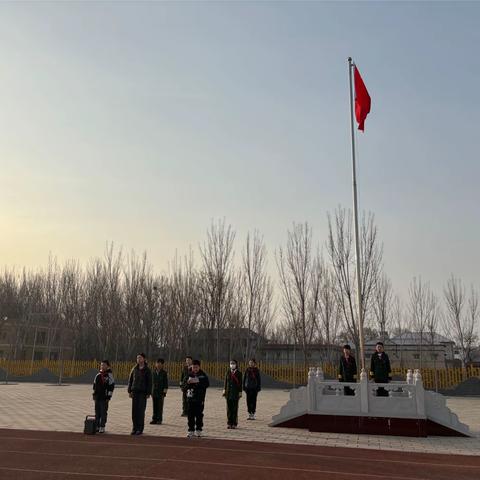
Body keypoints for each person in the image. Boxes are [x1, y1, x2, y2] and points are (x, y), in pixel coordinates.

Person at [181, 359, 209, 438]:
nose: (195, 369)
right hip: (190, 399)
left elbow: (207, 384)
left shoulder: (203, 375)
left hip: (199, 399)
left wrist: (198, 382)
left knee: (199, 415)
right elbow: (183, 387)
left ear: (199, 367)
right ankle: (191, 430)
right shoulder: (188, 375)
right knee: (190, 415)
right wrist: (188, 383)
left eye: (196, 367)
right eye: (193, 367)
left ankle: (199, 430)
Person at [127, 353, 152, 435]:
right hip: (135, 392)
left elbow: (150, 382)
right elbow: (130, 380)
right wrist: (129, 390)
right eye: (137, 358)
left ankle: (140, 429)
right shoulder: (134, 369)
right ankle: (134, 428)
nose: (138, 359)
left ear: (144, 359)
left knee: (141, 411)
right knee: (134, 411)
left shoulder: (147, 370)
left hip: (143, 392)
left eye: (140, 358)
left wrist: (148, 392)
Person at [92, 360, 115, 433]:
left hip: (104, 398)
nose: (102, 366)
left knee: (103, 412)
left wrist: (109, 397)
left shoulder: (109, 375)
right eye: (101, 365)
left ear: (108, 366)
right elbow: (94, 386)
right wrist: (94, 396)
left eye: (104, 365)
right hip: (97, 397)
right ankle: (97, 426)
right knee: (97, 412)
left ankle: (102, 426)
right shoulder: (98, 375)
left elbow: (111, 387)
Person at [223, 359, 242, 429]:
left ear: (236, 364)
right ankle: (229, 423)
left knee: (234, 408)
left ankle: (234, 423)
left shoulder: (239, 373)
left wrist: (240, 392)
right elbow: (225, 382)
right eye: (231, 363)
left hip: (235, 393)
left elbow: (240, 384)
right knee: (228, 408)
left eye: (233, 363)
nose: (232, 365)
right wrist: (224, 390)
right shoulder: (228, 372)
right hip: (228, 392)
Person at [150, 358, 168, 425]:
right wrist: (150, 391)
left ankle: (159, 419)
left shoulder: (164, 373)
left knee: (160, 407)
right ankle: (154, 419)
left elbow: (166, 384)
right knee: (154, 406)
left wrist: (164, 392)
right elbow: (150, 382)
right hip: (154, 392)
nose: (158, 365)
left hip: (161, 393)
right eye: (157, 363)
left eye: (160, 364)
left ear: (162, 365)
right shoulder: (153, 372)